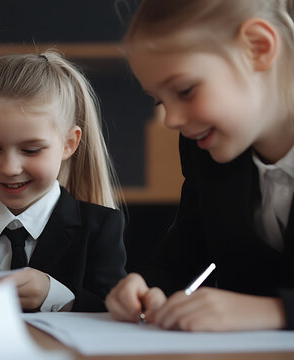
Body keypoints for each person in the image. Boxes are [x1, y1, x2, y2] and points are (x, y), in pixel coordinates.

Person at [105, 0, 294, 331]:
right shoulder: (203, 150)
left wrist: (274, 311)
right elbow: (182, 256)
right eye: (161, 101)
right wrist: (145, 287)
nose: (172, 120)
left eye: (185, 90)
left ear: (258, 48)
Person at [0, 51, 127, 312]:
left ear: (68, 144)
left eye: (31, 150)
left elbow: (114, 310)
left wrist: (55, 295)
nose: (10, 168)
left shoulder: (100, 227)